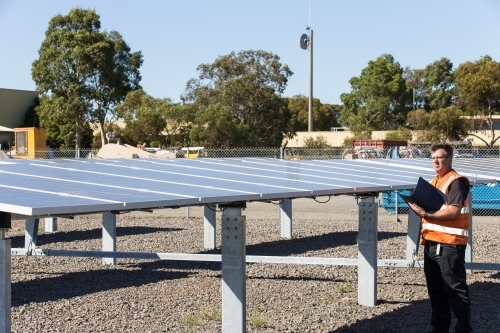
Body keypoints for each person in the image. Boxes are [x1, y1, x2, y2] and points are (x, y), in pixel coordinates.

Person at [408, 143, 473, 333]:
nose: (436, 161)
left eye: (440, 157)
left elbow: (453, 212)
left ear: (450, 159)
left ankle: (464, 329)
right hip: (432, 243)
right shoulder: (433, 182)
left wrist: (426, 214)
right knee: (436, 290)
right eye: (433, 157)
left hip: (449, 245)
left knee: (454, 290)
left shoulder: (456, 182)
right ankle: (439, 328)